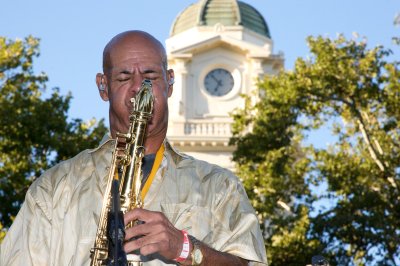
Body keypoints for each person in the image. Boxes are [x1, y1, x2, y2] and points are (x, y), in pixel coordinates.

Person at [0, 30, 267, 265]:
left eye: (150, 75)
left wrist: (185, 248)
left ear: (170, 82)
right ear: (103, 87)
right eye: (124, 77)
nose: (139, 88)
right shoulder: (53, 188)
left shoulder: (220, 187)